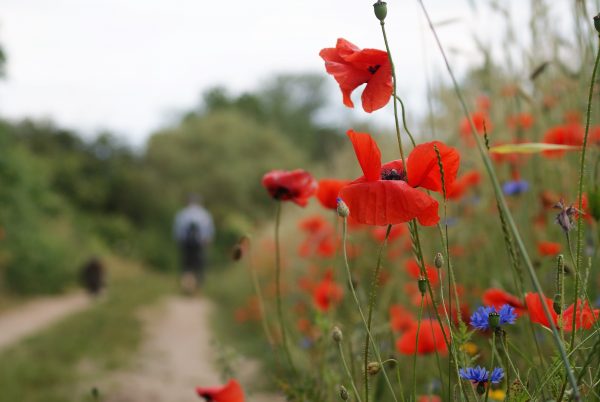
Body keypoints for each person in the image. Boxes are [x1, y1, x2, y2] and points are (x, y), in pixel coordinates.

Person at [173, 194, 214, 293]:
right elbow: (209, 230)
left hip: (186, 243)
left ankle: (186, 285)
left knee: (186, 264)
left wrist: (179, 241)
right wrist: (208, 241)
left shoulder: (182, 213)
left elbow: (177, 230)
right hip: (199, 243)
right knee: (199, 264)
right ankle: (198, 286)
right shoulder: (204, 214)